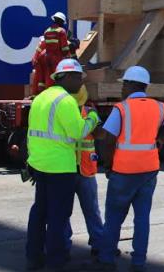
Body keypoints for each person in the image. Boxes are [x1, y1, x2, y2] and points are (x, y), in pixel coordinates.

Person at [95, 66, 164, 271]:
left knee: (114, 219)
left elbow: (108, 139)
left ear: (130, 85)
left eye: (123, 84)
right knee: (142, 218)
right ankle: (138, 262)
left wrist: (108, 165)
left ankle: (107, 259)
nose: (121, 89)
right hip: (148, 171)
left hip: (123, 172)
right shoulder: (158, 107)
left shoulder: (122, 108)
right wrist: (162, 139)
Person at [25, 59, 100, 271]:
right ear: (66, 77)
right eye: (78, 77)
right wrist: (93, 118)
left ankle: (34, 257)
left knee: (39, 213)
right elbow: (78, 133)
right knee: (59, 216)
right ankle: (55, 261)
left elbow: (33, 132)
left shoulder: (40, 98)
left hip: (40, 165)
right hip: (61, 168)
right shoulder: (65, 101)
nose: (80, 82)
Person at [65, 84, 104, 257]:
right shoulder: (69, 111)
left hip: (81, 168)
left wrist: (94, 120)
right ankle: (96, 244)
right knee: (72, 210)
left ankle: (96, 243)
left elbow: (100, 135)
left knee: (89, 210)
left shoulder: (87, 112)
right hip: (69, 168)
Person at [34, 13, 72, 90]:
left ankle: (48, 91)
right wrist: (69, 57)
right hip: (57, 58)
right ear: (61, 22)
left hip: (47, 57)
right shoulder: (61, 31)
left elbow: (45, 45)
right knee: (58, 75)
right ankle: (58, 90)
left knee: (49, 75)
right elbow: (64, 48)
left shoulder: (47, 31)